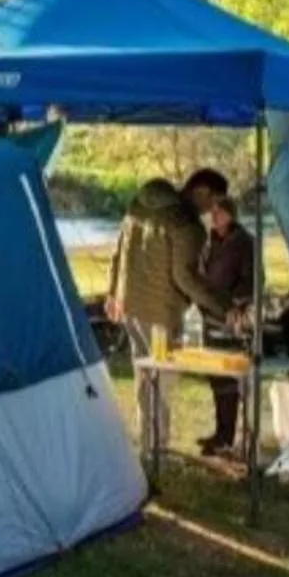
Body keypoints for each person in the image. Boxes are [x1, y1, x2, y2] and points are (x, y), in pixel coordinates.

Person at [103, 178, 207, 459]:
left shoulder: (136, 207)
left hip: (131, 305)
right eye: (211, 201)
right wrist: (217, 306)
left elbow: (119, 251)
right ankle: (157, 445)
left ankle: (149, 441)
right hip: (161, 311)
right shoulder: (180, 221)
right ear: (201, 192)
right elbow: (185, 276)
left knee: (144, 373)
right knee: (162, 376)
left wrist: (113, 292)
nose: (209, 210)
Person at [196, 194, 257, 456]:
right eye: (213, 212)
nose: (214, 216)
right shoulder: (210, 242)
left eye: (219, 212)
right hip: (210, 316)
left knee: (232, 378)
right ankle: (221, 433)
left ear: (231, 214)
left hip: (232, 319)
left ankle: (233, 437)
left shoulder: (245, 243)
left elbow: (251, 280)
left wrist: (236, 305)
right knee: (216, 378)